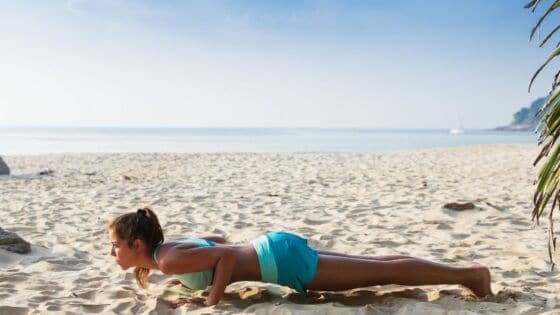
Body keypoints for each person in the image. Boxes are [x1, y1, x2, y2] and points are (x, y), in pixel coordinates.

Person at [108, 207, 493, 306]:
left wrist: (211, 299)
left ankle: (471, 276)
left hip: (281, 264)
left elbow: (223, 254)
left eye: (116, 245)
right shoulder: (168, 252)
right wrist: (192, 278)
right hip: (272, 246)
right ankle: (466, 273)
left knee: (379, 274)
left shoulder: (169, 258)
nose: (113, 252)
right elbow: (215, 240)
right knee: (377, 264)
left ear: (136, 243)